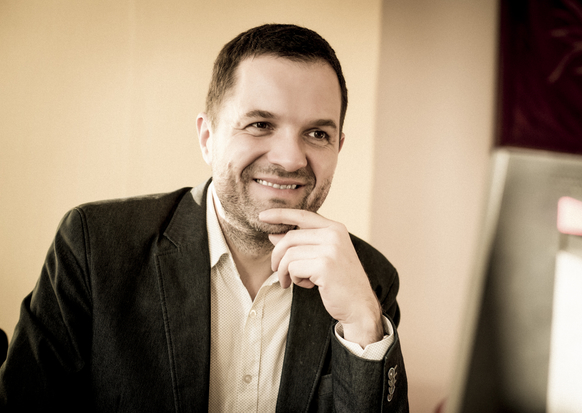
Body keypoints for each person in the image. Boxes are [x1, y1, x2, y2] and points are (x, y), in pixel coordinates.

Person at [0, 24, 408, 412]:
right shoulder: (94, 247)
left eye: (317, 134)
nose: (290, 159)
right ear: (207, 138)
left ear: (338, 147)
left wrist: (364, 326)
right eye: (260, 124)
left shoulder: (369, 279)